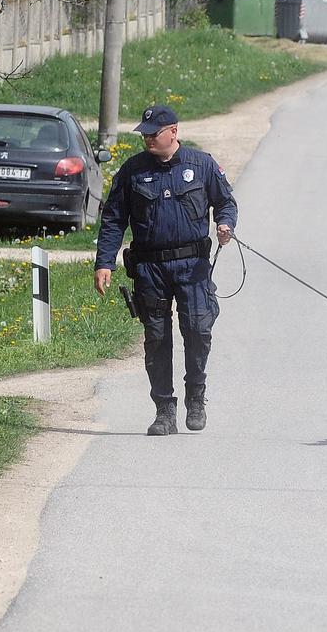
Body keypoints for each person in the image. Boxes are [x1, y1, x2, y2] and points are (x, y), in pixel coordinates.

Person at [94, 105, 236, 435]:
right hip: (150, 268)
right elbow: (114, 219)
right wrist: (104, 262)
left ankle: (196, 397)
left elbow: (226, 203)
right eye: (144, 134)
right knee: (156, 337)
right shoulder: (131, 171)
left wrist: (225, 224)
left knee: (199, 330)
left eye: (153, 134)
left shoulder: (201, 165)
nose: (147, 139)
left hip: (192, 266)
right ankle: (164, 411)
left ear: (173, 131)